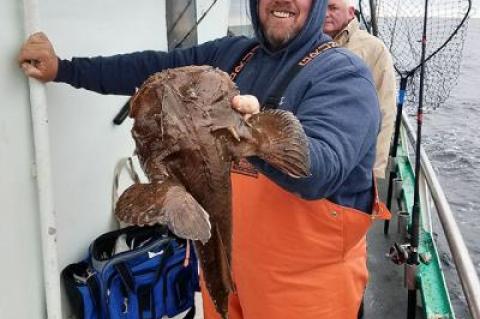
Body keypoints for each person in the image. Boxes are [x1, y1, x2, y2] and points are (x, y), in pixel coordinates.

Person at [18, 0, 389, 318]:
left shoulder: (344, 74)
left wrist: (253, 139)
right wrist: (63, 69)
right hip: (225, 270)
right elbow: (149, 67)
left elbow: (322, 170)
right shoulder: (233, 56)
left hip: (306, 292)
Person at [324, 0, 397, 179]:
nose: (326, 14)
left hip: (355, 158)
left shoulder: (374, 49)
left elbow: (385, 110)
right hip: (319, 154)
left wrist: (375, 170)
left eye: (332, 8)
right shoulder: (306, 45)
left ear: (351, 13)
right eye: (322, 7)